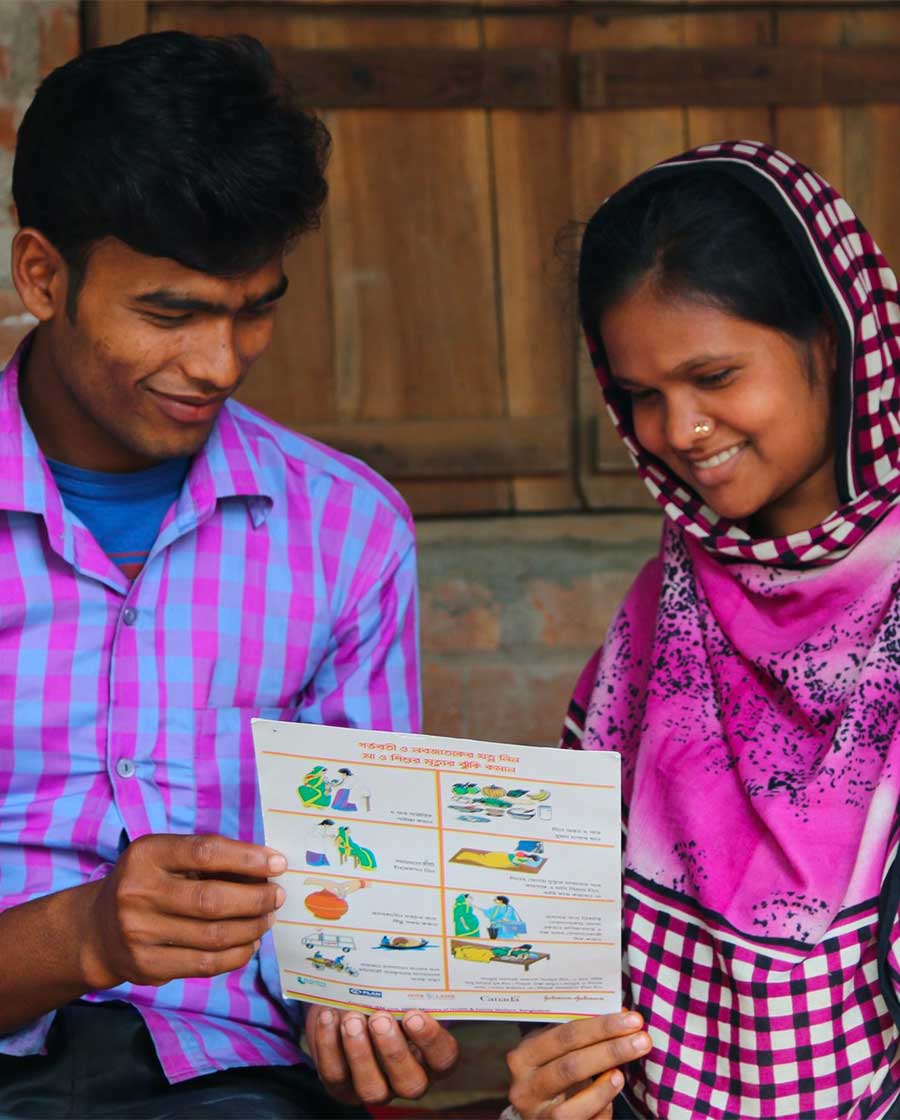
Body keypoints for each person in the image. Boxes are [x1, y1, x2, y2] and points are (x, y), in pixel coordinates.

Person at [0, 30, 457, 1118]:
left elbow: (366, 912)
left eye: (255, 306)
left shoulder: (348, 530)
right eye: (171, 314)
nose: (219, 362)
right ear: (42, 275)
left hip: (232, 1082)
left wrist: (372, 1008)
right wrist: (84, 934)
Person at [506, 140, 900, 1119]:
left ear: (834, 338)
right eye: (640, 394)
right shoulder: (656, 622)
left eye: (714, 374)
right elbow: (570, 960)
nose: (677, 430)